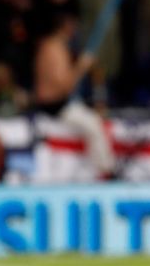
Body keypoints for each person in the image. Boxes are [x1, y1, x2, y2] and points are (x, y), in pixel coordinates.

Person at [33, 12, 116, 180]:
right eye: (73, 24)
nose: (76, 29)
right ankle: (106, 172)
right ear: (66, 26)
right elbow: (65, 86)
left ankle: (100, 169)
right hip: (56, 107)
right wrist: (82, 66)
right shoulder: (56, 49)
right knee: (94, 124)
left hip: (57, 103)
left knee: (93, 116)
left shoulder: (46, 44)